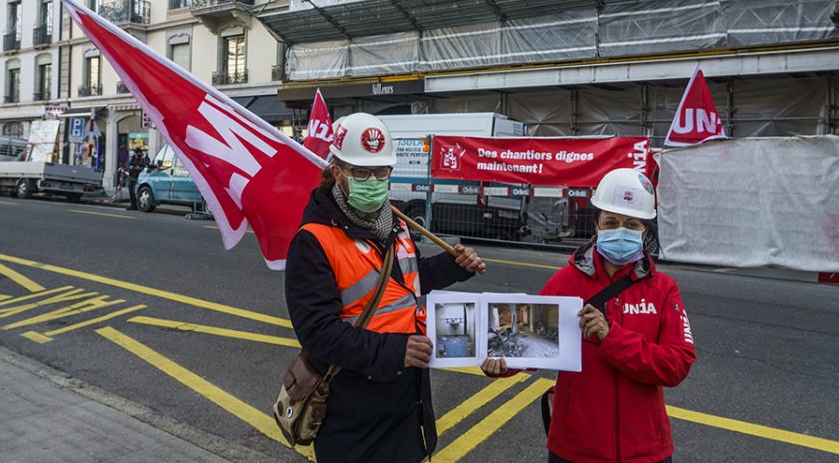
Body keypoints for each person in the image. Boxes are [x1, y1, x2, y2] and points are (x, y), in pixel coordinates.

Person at [285, 112, 485, 463]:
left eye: (381, 172)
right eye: (361, 173)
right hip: (351, 410)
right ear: (337, 173)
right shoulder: (313, 240)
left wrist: (453, 266)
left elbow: (405, 278)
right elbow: (317, 333)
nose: (373, 181)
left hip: (406, 400)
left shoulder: (394, 222)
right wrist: (395, 351)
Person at [482, 168, 695, 463]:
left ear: (645, 231)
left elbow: (677, 365)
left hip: (645, 451)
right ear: (597, 226)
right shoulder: (564, 282)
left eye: (632, 224)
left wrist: (612, 338)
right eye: (611, 222)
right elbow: (531, 346)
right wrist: (500, 363)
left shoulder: (663, 289)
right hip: (574, 450)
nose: (621, 230)